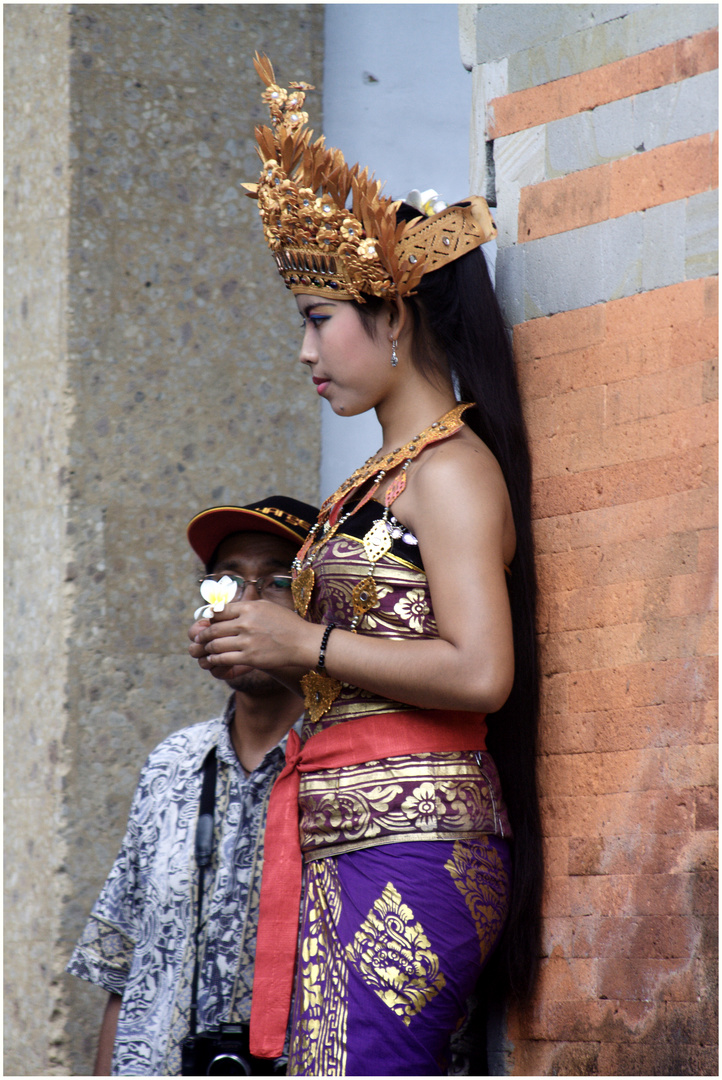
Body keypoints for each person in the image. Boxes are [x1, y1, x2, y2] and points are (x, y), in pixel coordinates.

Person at [190, 54, 543, 1076]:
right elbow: (356, 658)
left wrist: (303, 637)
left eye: (316, 320)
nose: (304, 353)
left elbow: (481, 672)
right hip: (347, 837)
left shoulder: (452, 472)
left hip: (416, 848)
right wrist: (263, 651)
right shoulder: (376, 482)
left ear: (391, 317)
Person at [67, 496, 319, 1076]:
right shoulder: (171, 763)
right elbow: (122, 968)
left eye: (278, 581)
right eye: (227, 582)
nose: (245, 605)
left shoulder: (355, 759)